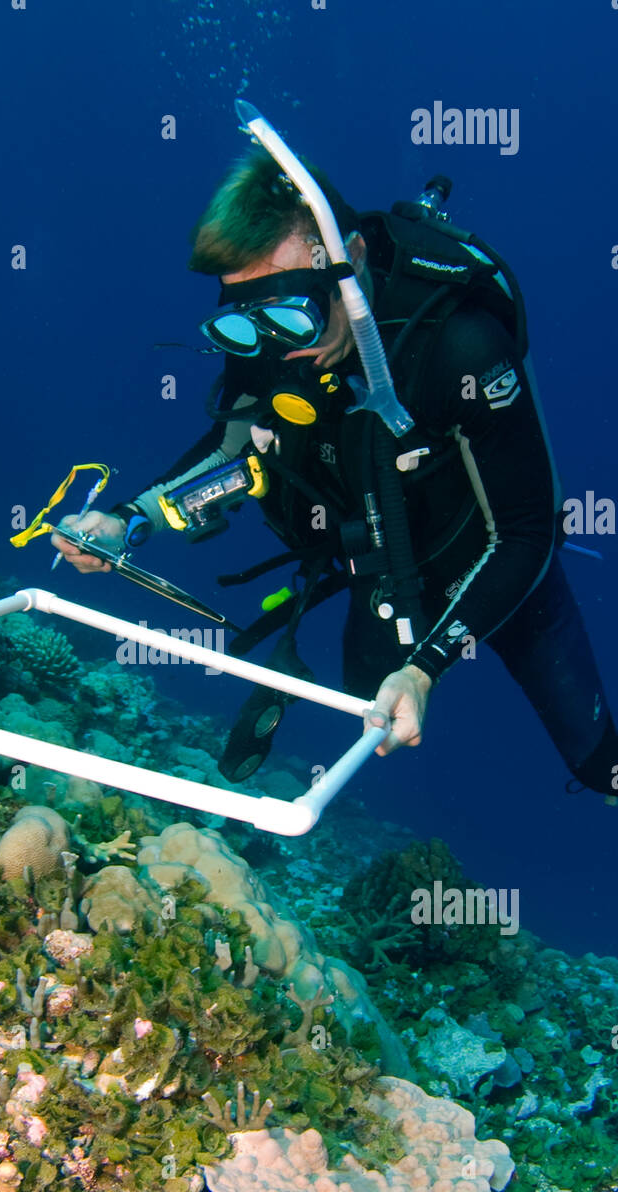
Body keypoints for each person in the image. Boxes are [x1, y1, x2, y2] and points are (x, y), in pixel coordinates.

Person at [52, 146, 618, 799]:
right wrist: (127, 519)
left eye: (293, 312)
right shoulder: (268, 335)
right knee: (371, 722)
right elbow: (236, 443)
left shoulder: (460, 346)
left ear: (346, 258)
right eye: (242, 321)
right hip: (385, 560)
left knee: (597, 762)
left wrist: (426, 669)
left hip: (494, 557)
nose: (275, 345)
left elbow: (525, 532)